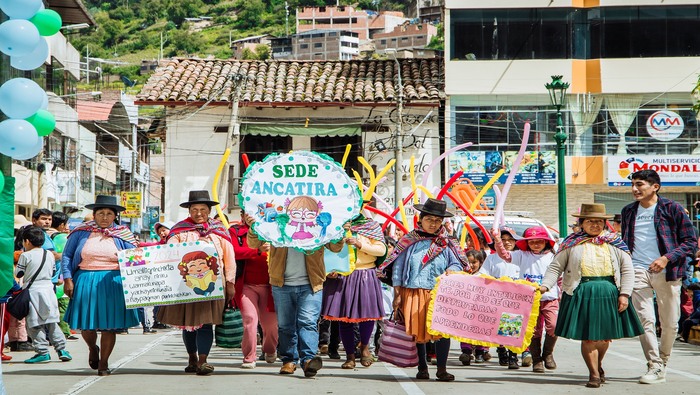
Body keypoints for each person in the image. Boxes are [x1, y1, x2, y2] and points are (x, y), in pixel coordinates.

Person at [541, 203, 643, 388]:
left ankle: (598, 364)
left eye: (599, 221)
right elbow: (555, 267)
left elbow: (627, 270)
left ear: (604, 223)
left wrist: (625, 294)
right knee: (589, 337)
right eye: (590, 221)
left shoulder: (615, 242)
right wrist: (545, 286)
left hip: (609, 291)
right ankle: (594, 373)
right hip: (581, 291)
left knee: (604, 338)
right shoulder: (571, 243)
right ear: (581, 223)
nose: (594, 225)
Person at [379, 198, 471, 382]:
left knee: (441, 332)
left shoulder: (447, 242)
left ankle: (442, 369)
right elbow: (396, 267)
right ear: (420, 220)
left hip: (439, 293)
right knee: (417, 331)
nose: (433, 224)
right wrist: (397, 293)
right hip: (412, 290)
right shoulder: (408, 240)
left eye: (438, 221)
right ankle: (422, 368)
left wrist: (452, 269)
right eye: (429, 219)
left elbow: (458, 262)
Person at [620, 170, 698, 384]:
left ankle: (663, 361)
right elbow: (625, 242)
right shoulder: (628, 211)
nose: (635, 189)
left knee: (670, 323)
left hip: (668, 271)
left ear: (655, 186)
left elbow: (690, 242)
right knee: (645, 319)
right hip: (637, 269)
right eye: (633, 185)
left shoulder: (672, 209)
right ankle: (654, 365)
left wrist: (666, 258)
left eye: (640, 184)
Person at [245, 213, 345, 378]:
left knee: (308, 322)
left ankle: (308, 360)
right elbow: (253, 243)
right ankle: (289, 360)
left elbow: (335, 247)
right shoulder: (277, 221)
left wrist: (340, 230)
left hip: (311, 283)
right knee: (285, 325)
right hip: (282, 283)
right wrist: (253, 226)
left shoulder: (318, 220)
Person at [157, 190, 236, 376]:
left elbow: (229, 258)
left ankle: (203, 360)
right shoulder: (179, 232)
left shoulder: (218, 232)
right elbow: (169, 253)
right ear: (189, 211)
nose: (198, 213)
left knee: (206, 323)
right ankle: (192, 357)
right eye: (194, 209)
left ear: (209, 211)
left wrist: (230, 282)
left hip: (213, 285)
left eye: (202, 209)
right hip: (186, 285)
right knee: (189, 323)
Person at [61, 195, 140, 376]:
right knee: (87, 325)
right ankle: (91, 348)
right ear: (94, 215)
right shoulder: (80, 232)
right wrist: (67, 279)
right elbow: (67, 256)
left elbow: (136, 257)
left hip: (113, 283)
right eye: (101, 213)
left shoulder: (124, 235)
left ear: (115, 216)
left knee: (109, 326)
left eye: (109, 214)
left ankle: (104, 363)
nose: (105, 217)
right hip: (85, 280)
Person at [321, 209, 387, 369]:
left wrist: (360, 244)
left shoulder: (371, 226)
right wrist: (329, 268)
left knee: (368, 316)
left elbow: (381, 250)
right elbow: (325, 250)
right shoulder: (334, 225)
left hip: (365, 273)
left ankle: (365, 348)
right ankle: (349, 355)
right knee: (344, 318)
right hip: (342, 274)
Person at [492, 225, 558, 373]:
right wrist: (497, 240)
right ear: (526, 243)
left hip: (550, 297)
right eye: (531, 241)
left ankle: (548, 354)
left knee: (554, 326)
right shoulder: (522, 255)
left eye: (539, 241)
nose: (535, 244)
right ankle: (536, 360)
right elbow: (505, 255)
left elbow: (560, 276)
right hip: (529, 300)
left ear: (546, 242)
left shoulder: (553, 256)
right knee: (534, 331)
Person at [226, 210, 278, 369]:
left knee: (271, 325)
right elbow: (233, 251)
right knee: (250, 320)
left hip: (270, 285)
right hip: (246, 286)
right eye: (247, 213)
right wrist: (258, 251)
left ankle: (270, 350)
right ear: (242, 216)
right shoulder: (235, 231)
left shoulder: (275, 230)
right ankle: (249, 357)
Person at [15, 226, 73, 364]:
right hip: (49, 290)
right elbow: (53, 272)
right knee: (52, 322)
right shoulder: (49, 254)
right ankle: (62, 349)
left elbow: (19, 274)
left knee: (34, 324)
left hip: (33, 291)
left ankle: (42, 352)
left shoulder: (25, 255)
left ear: (27, 241)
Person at [481, 227, 522, 369]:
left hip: (516, 298)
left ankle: (513, 356)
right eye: (503, 240)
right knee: (499, 326)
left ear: (516, 241)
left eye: (510, 239)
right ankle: (501, 349)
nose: (507, 242)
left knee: (512, 326)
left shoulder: (521, 256)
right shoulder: (492, 258)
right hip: (497, 297)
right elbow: (483, 275)